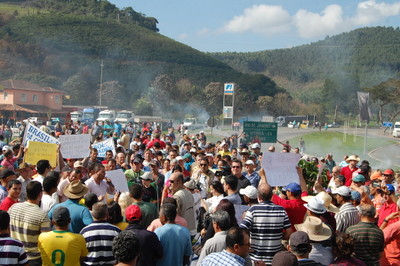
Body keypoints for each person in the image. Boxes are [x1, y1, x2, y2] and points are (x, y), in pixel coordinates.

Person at [240, 183, 292, 264]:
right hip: (275, 260)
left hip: (256, 260)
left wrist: (247, 245)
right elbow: (289, 234)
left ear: (259, 196)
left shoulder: (253, 209)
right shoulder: (281, 210)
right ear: (272, 196)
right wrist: (276, 235)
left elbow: (242, 229)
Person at [8, 181, 51, 265]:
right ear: (40, 194)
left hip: (14, 254)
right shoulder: (42, 215)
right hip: (33, 259)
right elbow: (46, 241)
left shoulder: (13, 208)